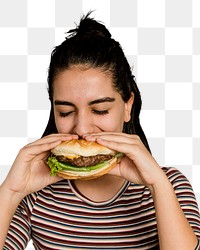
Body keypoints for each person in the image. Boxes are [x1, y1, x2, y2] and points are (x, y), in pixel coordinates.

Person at [1, 12, 200, 249]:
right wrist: (11, 191)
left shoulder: (170, 185)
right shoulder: (34, 193)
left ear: (127, 106)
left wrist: (158, 184)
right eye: (65, 112)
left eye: (100, 110)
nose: (82, 129)